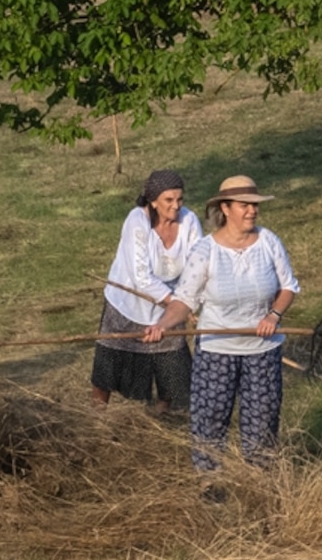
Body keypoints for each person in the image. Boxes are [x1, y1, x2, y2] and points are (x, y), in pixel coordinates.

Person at [186, 173, 298, 467]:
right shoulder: (205, 250)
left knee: (262, 421)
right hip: (217, 351)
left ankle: (257, 482)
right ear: (225, 208)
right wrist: (161, 325)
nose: (252, 210)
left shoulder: (268, 241)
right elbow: (183, 298)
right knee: (209, 419)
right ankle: (210, 482)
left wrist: (274, 315)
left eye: (255, 205)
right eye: (244, 205)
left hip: (262, 350)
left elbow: (288, 286)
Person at [92, 168, 197, 410]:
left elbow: (196, 265)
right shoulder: (136, 221)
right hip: (128, 303)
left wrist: (187, 303)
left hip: (170, 307)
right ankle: (96, 417)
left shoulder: (189, 221)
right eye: (169, 200)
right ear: (153, 201)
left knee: (171, 368)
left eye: (180, 199)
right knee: (109, 364)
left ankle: (163, 419)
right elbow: (141, 277)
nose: (176, 206)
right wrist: (178, 304)